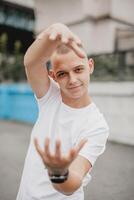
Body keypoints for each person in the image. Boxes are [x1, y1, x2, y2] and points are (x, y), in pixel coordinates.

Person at [16, 23, 109, 200]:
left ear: (90, 66)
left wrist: (58, 173)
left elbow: (71, 184)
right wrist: (53, 30)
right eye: (62, 74)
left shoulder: (96, 125)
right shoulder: (50, 96)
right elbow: (31, 62)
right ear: (52, 76)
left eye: (78, 69)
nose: (72, 80)